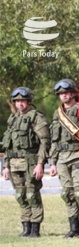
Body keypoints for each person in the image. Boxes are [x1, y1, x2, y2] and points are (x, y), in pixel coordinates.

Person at [2, 87, 50, 238]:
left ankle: (35, 229)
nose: (20, 104)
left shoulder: (36, 117)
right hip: (14, 163)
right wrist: (5, 166)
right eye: (17, 101)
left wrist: (40, 164)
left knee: (31, 195)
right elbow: (8, 145)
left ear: (28, 101)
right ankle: (26, 227)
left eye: (23, 100)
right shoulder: (13, 119)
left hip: (31, 162)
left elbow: (45, 141)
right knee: (20, 195)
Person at [48, 79, 79, 238]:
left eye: (66, 92)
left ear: (74, 93)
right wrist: (52, 162)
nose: (64, 95)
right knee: (67, 193)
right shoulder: (57, 113)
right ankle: (74, 228)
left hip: (77, 156)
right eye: (61, 93)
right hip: (61, 158)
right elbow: (54, 140)